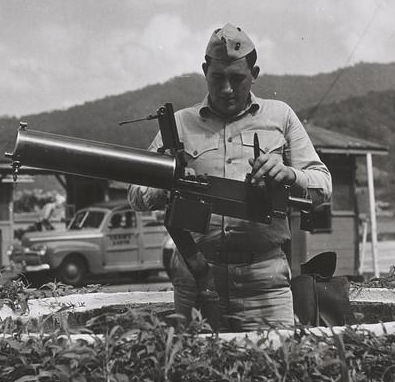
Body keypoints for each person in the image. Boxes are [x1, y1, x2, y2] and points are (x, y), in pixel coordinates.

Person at [128, 23, 331, 331]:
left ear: (255, 73)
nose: (226, 89)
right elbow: (136, 196)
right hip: (195, 278)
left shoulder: (281, 116)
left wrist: (289, 175)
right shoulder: (179, 124)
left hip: (264, 283)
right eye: (217, 78)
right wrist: (166, 180)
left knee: (274, 373)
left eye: (237, 79)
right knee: (195, 374)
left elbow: (322, 185)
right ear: (204, 71)